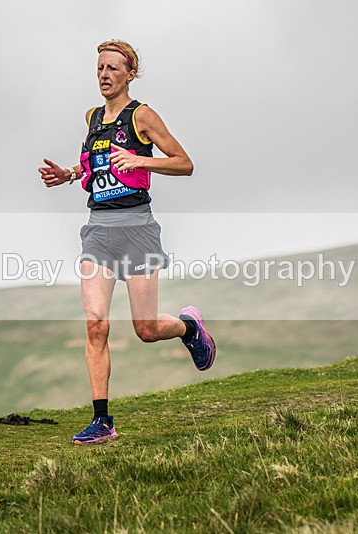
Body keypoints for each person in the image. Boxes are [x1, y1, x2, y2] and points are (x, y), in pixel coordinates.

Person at [38, 40, 216, 445]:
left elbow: (184, 163)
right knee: (96, 324)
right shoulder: (93, 117)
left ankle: (189, 327)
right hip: (99, 231)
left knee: (146, 329)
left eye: (113, 69)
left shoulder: (143, 116)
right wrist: (68, 175)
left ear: (130, 74)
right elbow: (93, 164)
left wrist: (141, 160)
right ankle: (103, 421)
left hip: (137, 228)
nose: (104, 75)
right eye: (100, 68)